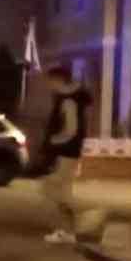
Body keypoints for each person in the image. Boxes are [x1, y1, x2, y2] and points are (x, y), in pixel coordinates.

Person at [41, 66, 93, 245]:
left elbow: (71, 129)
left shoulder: (68, 100)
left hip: (66, 152)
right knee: (56, 190)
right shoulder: (69, 98)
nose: (48, 85)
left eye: (50, 81)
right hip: (69, 151)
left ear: (58, 79)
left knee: (59, 192)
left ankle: (70, 230)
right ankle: (68, 230)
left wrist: (54, 141)